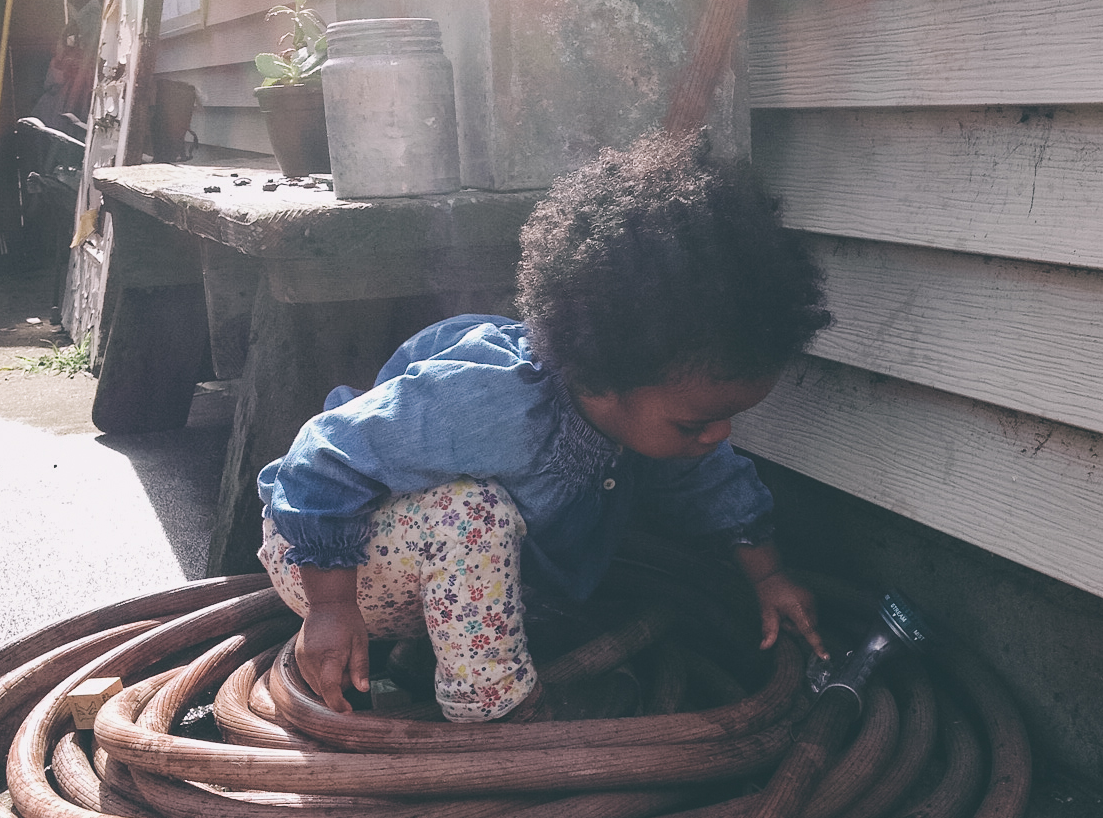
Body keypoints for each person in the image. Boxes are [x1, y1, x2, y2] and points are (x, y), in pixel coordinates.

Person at [258, 130, 831, 721]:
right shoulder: (493, 402)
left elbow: (713, 484)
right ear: (602, 381)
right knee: (473, 514)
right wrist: (331, 607)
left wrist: (770, 577)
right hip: (328, 549)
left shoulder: (645, 410)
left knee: (485, 529)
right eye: (697, 424)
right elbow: (324, 455)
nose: (719, 435)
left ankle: (435, 662)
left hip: (431, 565)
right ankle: (495, 714)